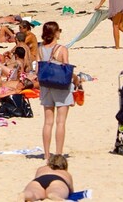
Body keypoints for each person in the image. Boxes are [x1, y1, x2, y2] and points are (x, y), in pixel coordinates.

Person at [40, 21, 77, 159]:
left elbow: (38, 69)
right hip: (61, 86)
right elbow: (66, 69)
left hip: (45, 86)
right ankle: (59, 153)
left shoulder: (40, 49)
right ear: (55, 33)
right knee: (60, 122)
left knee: (47, 122)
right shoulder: (62, 49)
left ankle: (46, 154)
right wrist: (76, 79)